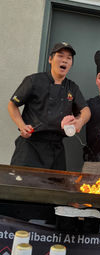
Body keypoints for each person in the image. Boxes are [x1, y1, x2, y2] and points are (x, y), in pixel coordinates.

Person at [8, 42, 91, 170]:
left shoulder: (72, 87)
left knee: (55, 187)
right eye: (60, 56)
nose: (64, 60)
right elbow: (12, 105)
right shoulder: (33, 81)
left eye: (69, 58)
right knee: (22, 187)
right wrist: (21, 126)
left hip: (56, 149)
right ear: (50, 59)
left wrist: (79, 121)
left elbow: (86, 110)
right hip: (30, 146)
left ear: (71, 64)